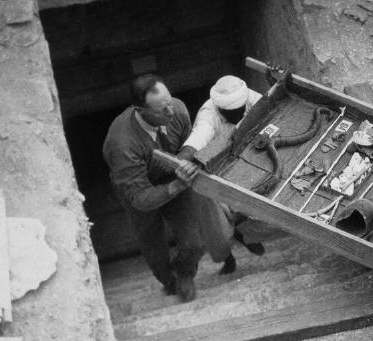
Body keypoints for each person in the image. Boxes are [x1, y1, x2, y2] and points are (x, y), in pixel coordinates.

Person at [102, 74, 205, 302]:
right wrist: (178, 185)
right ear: (139, 110)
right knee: (153, 245)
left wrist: (184, 162)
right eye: (161, 109)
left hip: (173, 175)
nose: (170, 112)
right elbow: (140, 198)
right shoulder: (122, 144)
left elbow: (189, 142)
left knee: (195, 242)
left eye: (169, 102)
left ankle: (185, 273)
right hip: (137, 189)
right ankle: (169, 281)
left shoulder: (176, 109)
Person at [178, 75, 278, 263]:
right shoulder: (208, 114)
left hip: (246, 158)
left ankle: (246, 236)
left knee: (253, 207)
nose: (239, 116)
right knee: (218, 226)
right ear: (220, 109)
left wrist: (276, 84)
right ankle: (226, 256)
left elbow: (271, 106)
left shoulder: (250, 98)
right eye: (233, 113)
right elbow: (198, 137)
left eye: (240, 111)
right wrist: (182, 160)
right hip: (215, 168)